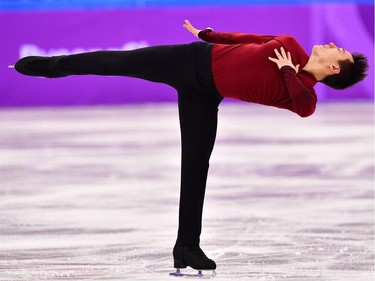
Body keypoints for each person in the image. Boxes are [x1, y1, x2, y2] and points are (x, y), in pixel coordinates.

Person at [12, 19, 368, 274]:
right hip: (191, 59)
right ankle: (53, 66)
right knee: (121, 61)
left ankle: (186, 247)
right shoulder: (289, 45)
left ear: (334, 69)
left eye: (339, 51)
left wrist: (290, 72)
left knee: (196, 168)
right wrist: (210, 34)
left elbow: (305, 107)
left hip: (205, 95)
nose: (333, 45)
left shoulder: (302, 92)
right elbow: (251, 38)